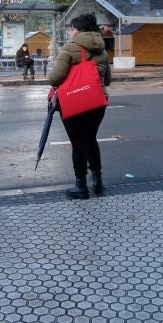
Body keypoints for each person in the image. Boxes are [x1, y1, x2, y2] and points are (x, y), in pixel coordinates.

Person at [48, 13, 112, 199]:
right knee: (90, 139)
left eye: (73, 28)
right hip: (97, 102)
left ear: (80, 30)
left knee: (78, 143)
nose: (70, 31)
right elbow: (107, 80)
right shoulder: (102, 48)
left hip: (75, 102)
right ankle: (98, 181)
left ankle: (81, 186)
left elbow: (55, 77)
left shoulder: (70, 48)